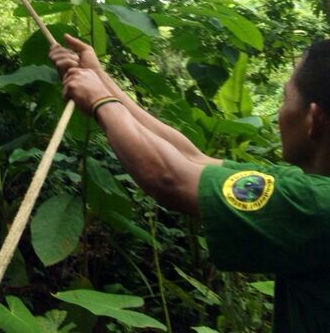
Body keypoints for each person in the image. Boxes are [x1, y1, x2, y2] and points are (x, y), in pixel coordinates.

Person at [49, 34, 330, 333]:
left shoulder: (316, 204)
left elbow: (170, 178)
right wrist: (100, 80)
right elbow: (191, 158)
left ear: (314, 119)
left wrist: (100, 102)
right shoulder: (308, 185)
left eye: (285, 99)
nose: (279, 113)